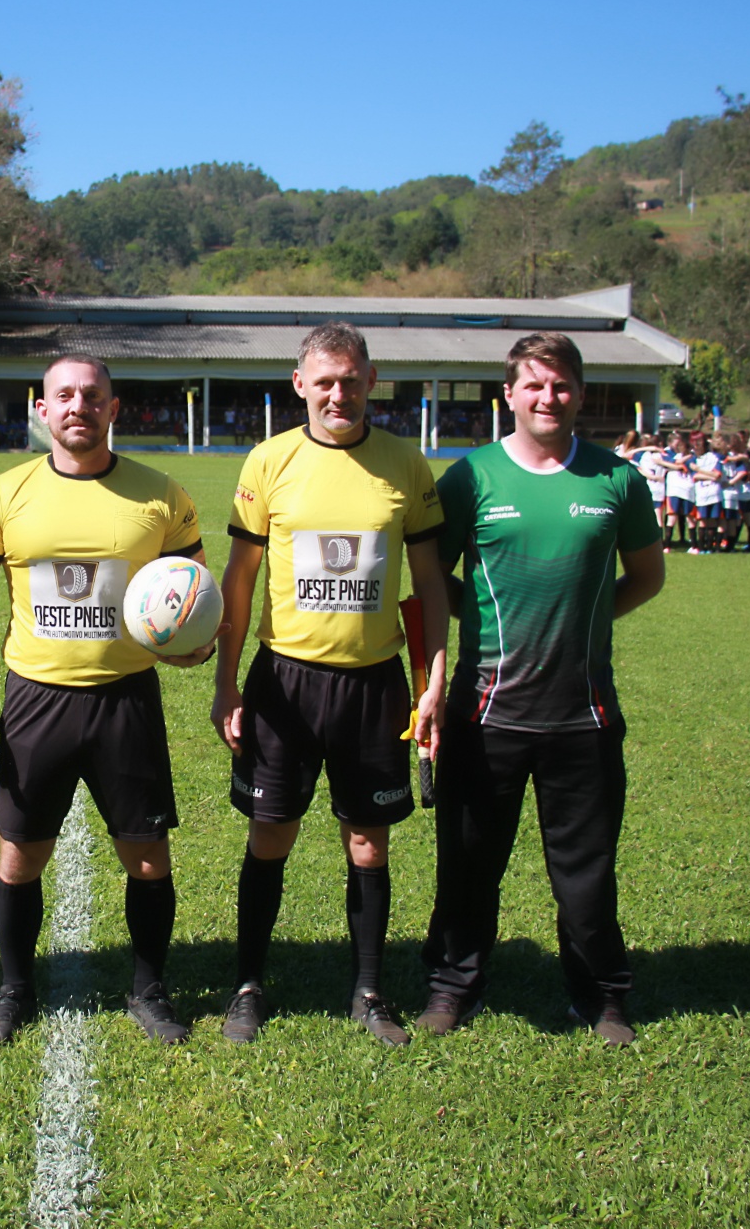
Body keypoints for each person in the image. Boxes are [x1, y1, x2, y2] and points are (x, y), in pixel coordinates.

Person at [0, 354, 210, 1047]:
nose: (78, 406)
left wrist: (195, 644)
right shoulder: (5, 494)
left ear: (113, 409)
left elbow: (195, 596)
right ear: (43, 408)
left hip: (126, 699)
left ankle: (148, 991)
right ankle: (12, 991)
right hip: (37, 700)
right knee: (19, 855)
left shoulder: (161, 496)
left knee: (147, 856)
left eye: (93, 396)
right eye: (65, 395)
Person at [418, 332, 664, 1048]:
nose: (547, 398)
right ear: (509, 395)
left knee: (585, 877)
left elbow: (646, 578)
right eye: (533, 386)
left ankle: (603, 997)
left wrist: (581, 619)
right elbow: (435, 581)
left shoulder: (617, 481)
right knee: (468, 867)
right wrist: (493, 620)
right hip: (485, 712)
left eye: (560, 386)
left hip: (583, 716)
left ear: (580, 394)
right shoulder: (470, 480)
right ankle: (451, 987)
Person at [209, 321, 450, 1046]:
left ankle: (370, 991)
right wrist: (227, 686)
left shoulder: (405, 466)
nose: (338, 393)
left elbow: (433, 587)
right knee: (269, 836)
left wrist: (433, 682)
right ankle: (249, 983)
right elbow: (240, 583)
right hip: (283, 683)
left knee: (369, 844)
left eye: (351, 379)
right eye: (325, 381)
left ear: (372, 380)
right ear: (300, 385)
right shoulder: (269, 461)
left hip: (373, 686)